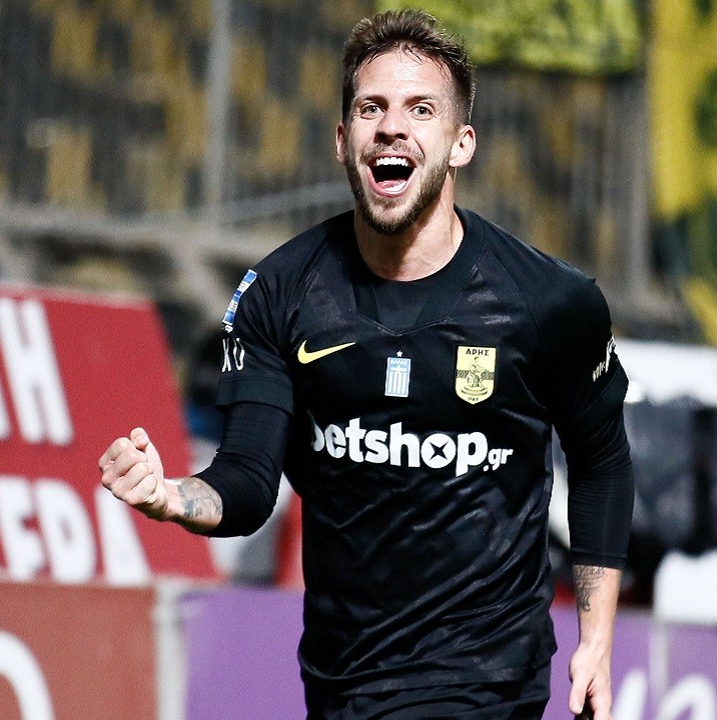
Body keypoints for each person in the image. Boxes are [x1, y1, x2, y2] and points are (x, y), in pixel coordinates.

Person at [98, 9, 633, 719]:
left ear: (461, 143)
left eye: (421, 109)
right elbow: (248, 482)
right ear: (342, 140)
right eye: (371, 108)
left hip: (487, 681)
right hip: (343, 682)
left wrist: (596, 639)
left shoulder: (548, 303)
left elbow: (601, 460)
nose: (392, 128)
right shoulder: (280, 295)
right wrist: (171, 497)